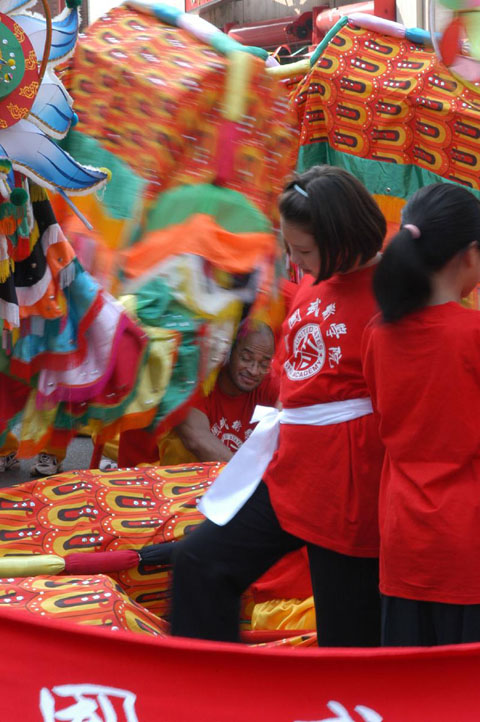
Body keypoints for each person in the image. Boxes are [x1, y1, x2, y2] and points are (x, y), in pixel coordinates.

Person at [170, 165, 387, 646]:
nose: (295, 260)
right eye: (289, 247)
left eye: (303, 251)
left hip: (349, 491)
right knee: (200, 564)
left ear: (343, 237)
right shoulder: (316, 275)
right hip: (291, 469)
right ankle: (204, 681)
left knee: (347, 641)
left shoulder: (392, 296)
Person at [362, 183, 480, 647]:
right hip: (466, 546)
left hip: (403, 543)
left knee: (409, 682)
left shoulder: (378, 334)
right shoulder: (471, 334)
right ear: (470, 254)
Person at [171, 320, 278, 463]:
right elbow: (196, 439)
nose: (254, 370)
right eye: (246, 358)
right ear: (228, 351)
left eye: (263, 365)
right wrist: (244, 473)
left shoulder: (270, 382)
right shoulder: (201, 381)